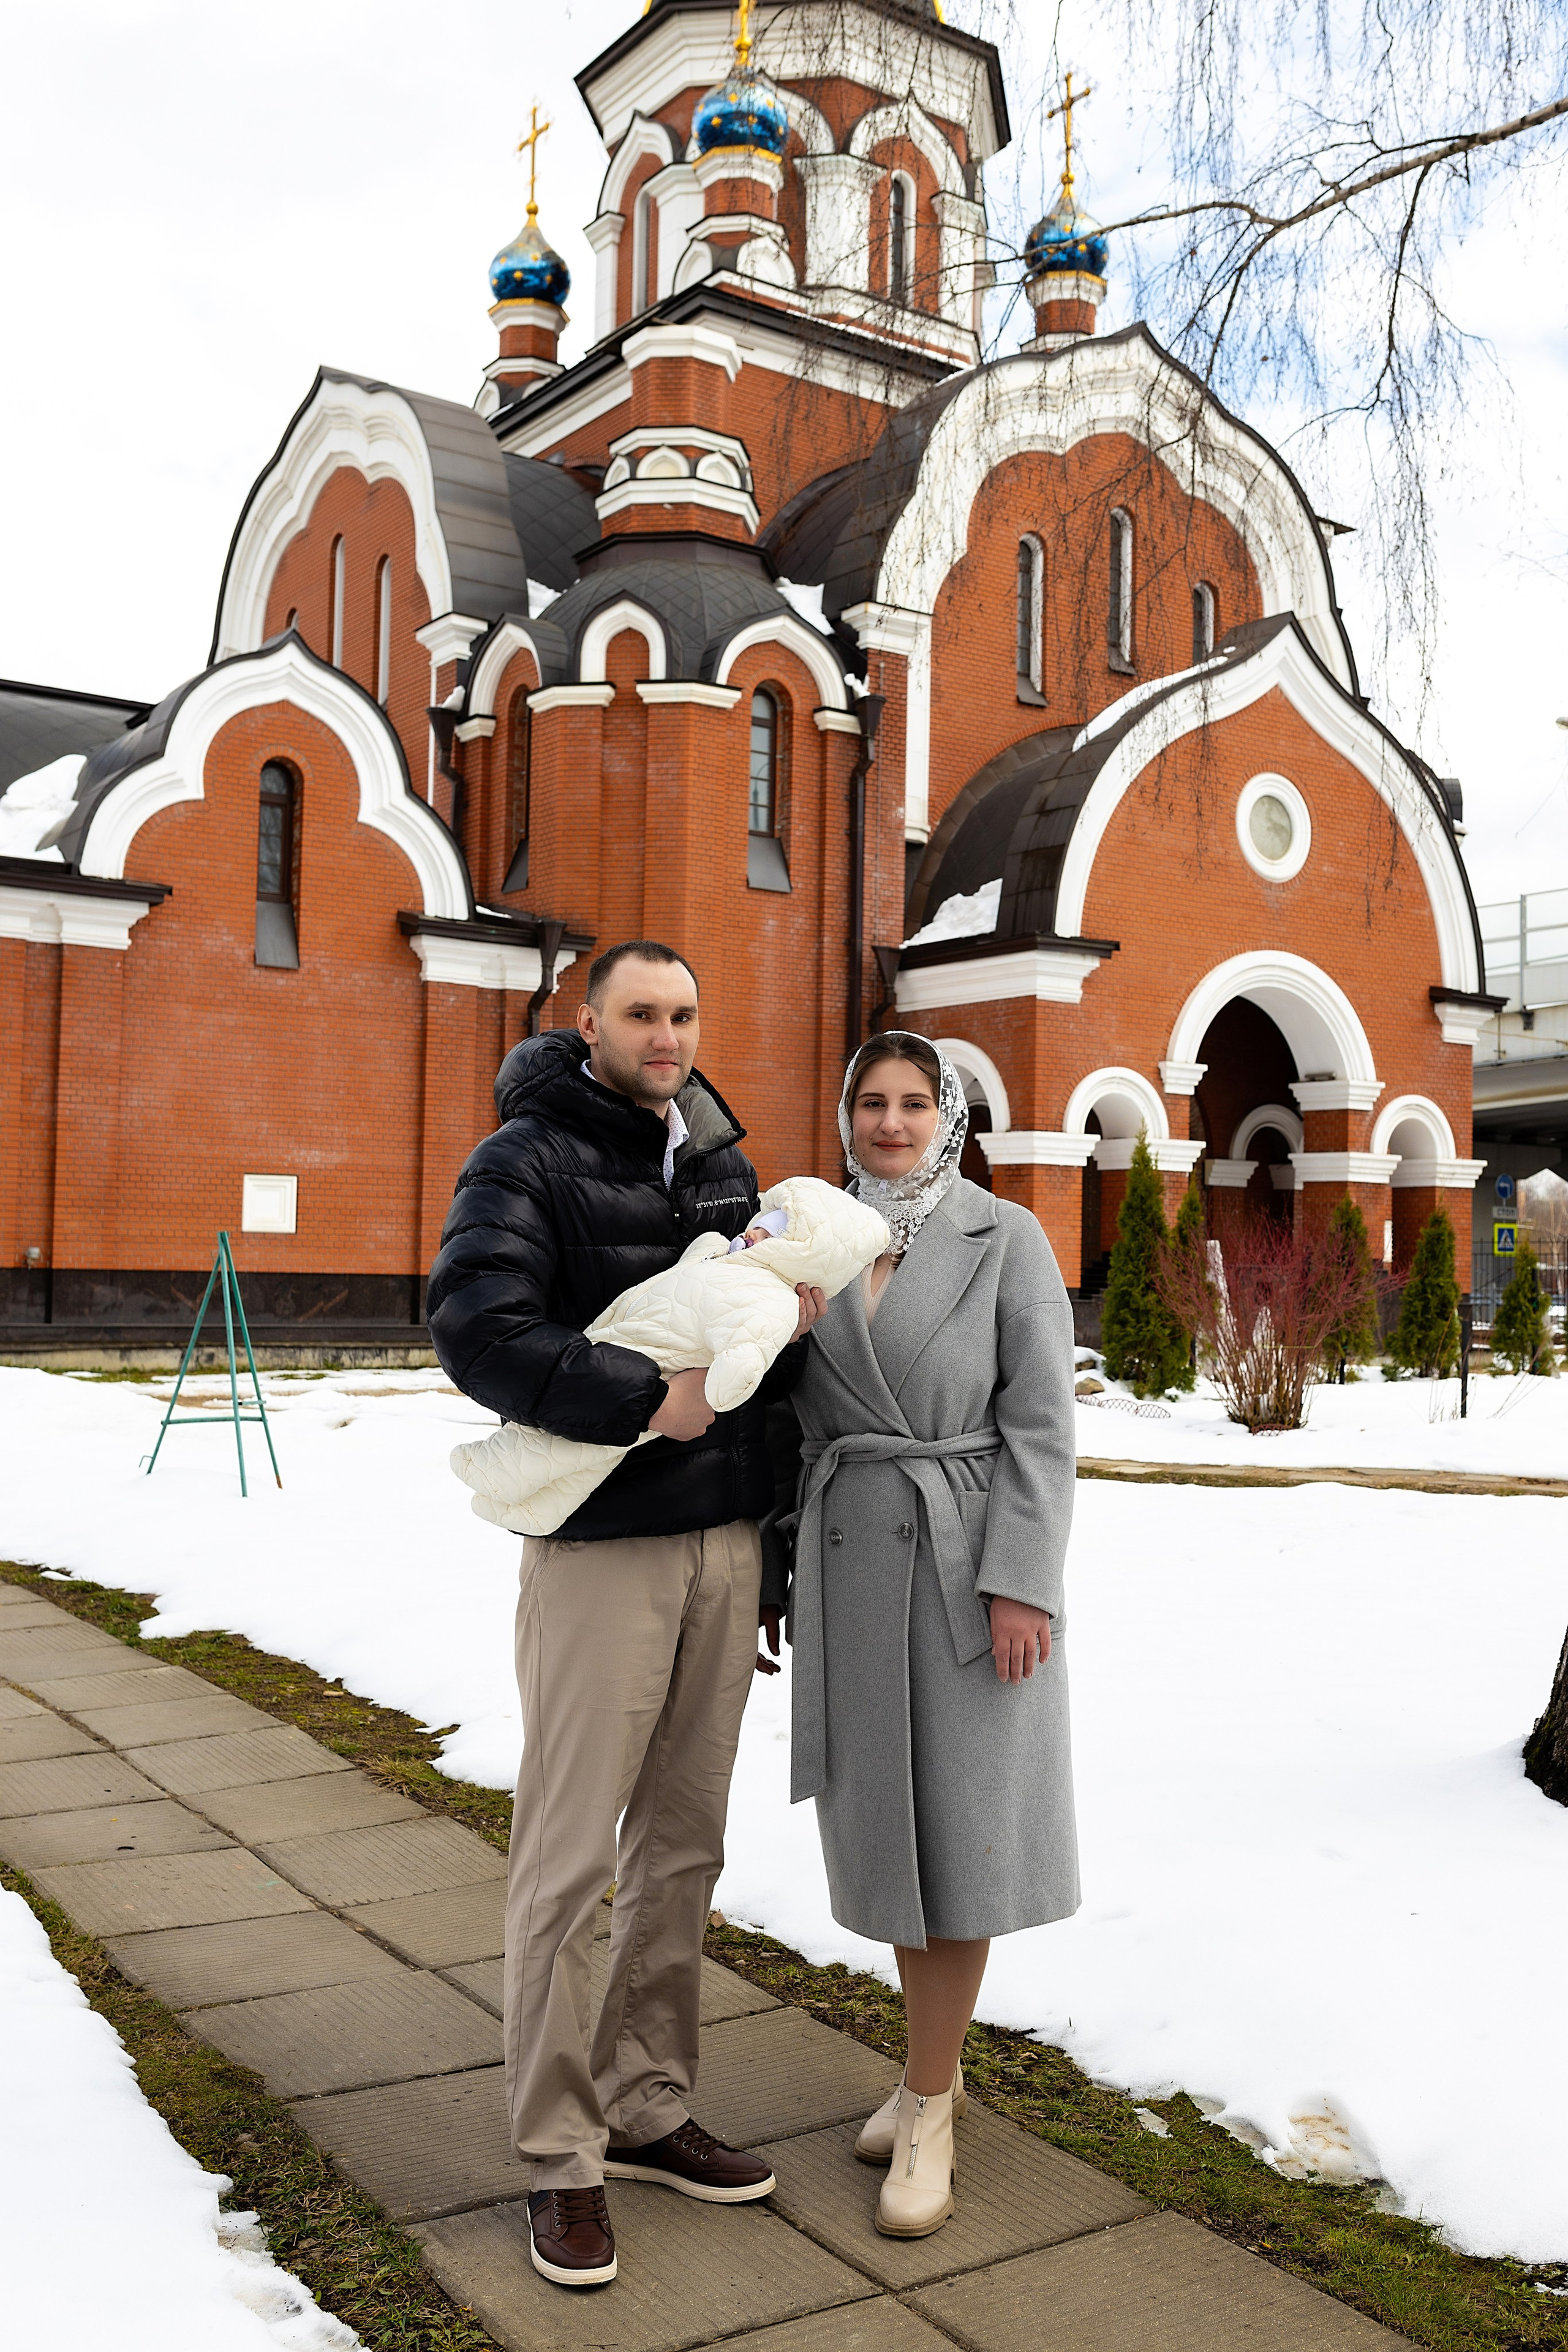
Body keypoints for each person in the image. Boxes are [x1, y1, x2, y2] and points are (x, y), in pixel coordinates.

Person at [426, 941, 824, 2293]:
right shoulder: (523, 1161)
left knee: (682, 1846)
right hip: (600, 1551)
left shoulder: (718, 1165)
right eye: (643, 1012)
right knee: (566, 1857)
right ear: (586, 1022)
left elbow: (762, 1373)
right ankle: (559, 2156)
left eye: (685, 1013)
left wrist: (768, 1556)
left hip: (719, 1545)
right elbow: (477, 1330)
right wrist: (641, 1399)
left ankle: (647, 2107)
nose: (667, 1035)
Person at [760, 1031, 1079, 2240]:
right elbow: (791, 1428)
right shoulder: (809, 1236)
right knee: (891, 1841)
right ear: (845, 1114)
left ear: (946, 1116)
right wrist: (781, 1571)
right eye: (869, 1102)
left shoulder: (1007, 1239)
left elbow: (1042, 1428)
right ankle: (918, 2074)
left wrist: (1020, 1583)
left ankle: (933, 2106)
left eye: (911, 1102)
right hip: (849, 1570)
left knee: (962, 1838)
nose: (889, 1123)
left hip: (963, 1576)